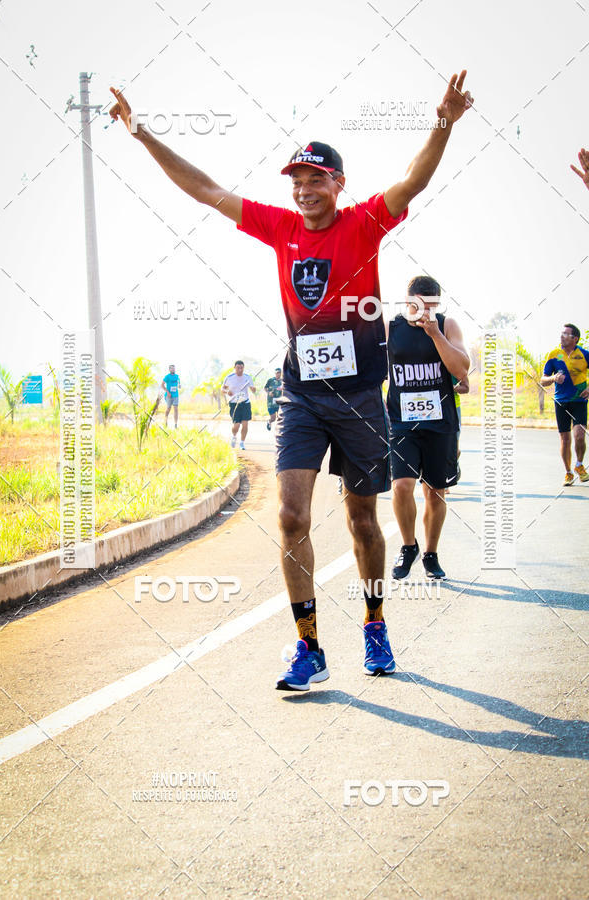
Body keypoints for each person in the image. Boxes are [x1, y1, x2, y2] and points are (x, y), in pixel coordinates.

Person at [109, 70, 474, 689]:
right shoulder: (277, 227)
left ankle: (375, 625)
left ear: (337, 184)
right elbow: (204, 188)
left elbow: (413, 178)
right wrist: (141, 132)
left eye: (316, 180)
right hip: (302, 394)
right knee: (289, 516)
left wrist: (443, 120)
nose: (305, 191)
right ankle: (308, 646)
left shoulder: (364, 223)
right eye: (297, 182)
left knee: (363, 521)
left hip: (360, 397)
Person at [386, 276, 470, 580]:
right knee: (402, 486)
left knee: (436, 492)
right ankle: (409, 546)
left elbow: (462, 368)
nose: (425, 313)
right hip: (401, 423)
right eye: (419, 307)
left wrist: (435, 335)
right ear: (407, 302)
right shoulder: (390, 328)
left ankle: (431, 554)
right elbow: (369, 367)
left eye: (432, 307)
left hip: (440, 424)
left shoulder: (447, 326)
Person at [540, 324, 589, 485]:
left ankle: (579, 465)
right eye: (562, 333)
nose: (562, 336)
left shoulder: (584, 354)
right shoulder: (554, 355)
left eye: (566, 334)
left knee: (580, 435)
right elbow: (543, 380)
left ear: (575, 338)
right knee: (565, 439)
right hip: (561, 402)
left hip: (579, 401)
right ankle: (568, 472)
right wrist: (553, 379)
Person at [222, 361, 256, 449]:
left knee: (245, 424)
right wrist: (227, 392)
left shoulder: (248, 377)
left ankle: (242, 443)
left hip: (245, 403)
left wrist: (253, 389)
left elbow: (253, 390)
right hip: (234, 403)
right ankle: (234, 436)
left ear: (243, 368)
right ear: (234, 368)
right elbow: (222, 389)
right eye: (238, 368)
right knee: (236, 425)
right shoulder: (229, 378)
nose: (240, 370)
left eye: (242, 368)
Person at [161, 364, 181, 428]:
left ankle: (175, 424)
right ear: (169, 369)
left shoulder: (177, 376)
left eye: (174, 368)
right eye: (172, 368)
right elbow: (162, 385)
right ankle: (165, 421)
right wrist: (168, 392)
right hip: (169, 395)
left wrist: (179, 386)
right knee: (168, 409)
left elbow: (179, 384)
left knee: (176, 409)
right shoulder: (167, 377)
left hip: (175, 395)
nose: (173, 369)